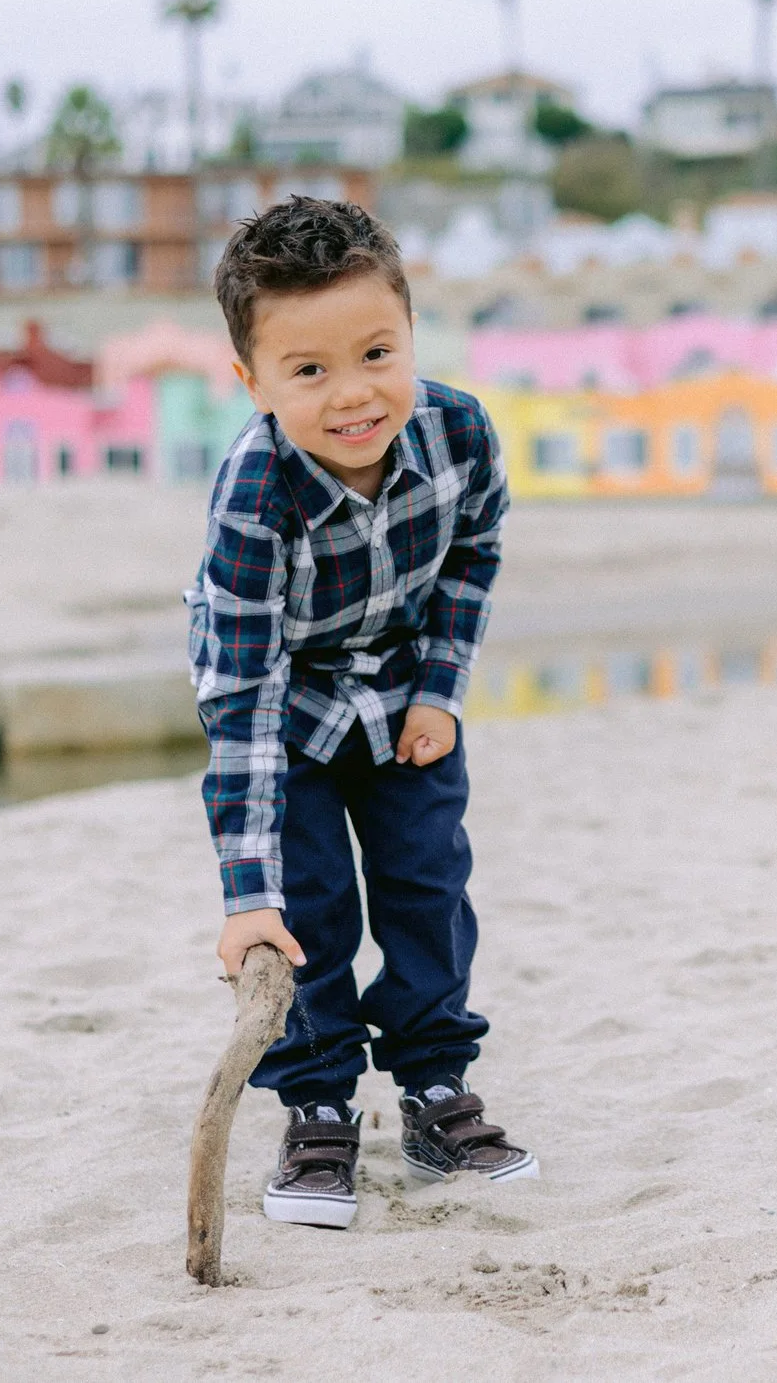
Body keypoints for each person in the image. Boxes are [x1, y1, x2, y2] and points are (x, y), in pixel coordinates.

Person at [189, 195, 536, 1230]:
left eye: (377, 351)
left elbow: (475, 551)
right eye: (308, 371)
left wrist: (440, 688)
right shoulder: (255, 494)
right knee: (317, 911)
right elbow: (243, 701)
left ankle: (435, 1092)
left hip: (400, 692)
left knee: (428, 883)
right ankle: (319, 1104)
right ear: (251, 382)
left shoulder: (459, 426)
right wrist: (247, 894)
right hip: (282, 700)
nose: (354, 394)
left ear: (411, 334)